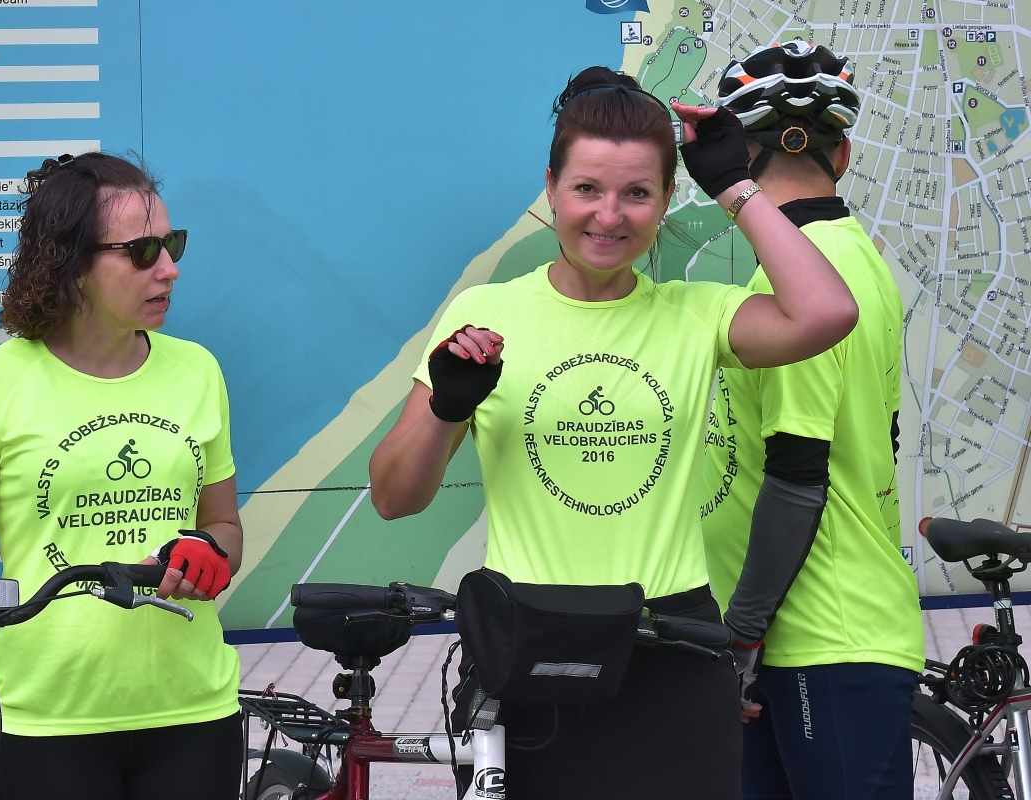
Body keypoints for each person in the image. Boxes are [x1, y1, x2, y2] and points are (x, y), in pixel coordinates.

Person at [368, 66, 859, 799]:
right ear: (551, 187)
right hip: (527, 650)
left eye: (637, 193)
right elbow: (393, 498)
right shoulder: (484, 313)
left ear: (666, 198)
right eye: (587, 189)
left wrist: (735, 186)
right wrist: (447, 408)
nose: (609, 215)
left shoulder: (696, 314)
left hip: (674, 652)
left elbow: (828, 312)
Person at [0, 153, 244, 800]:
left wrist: (209, 553)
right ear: (71, 266)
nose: (170, 269)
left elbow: (224, 525)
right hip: (42, 721)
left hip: (193, 712)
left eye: (172, 244)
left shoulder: (198, 371)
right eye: (143, 251)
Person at [700, 42, 924, 800]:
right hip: (816, 632)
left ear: (740, 156)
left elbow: (799, 477)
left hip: (817, 636)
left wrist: (741, 635)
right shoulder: (854, 254)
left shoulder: (798, 279)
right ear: (846, 154)